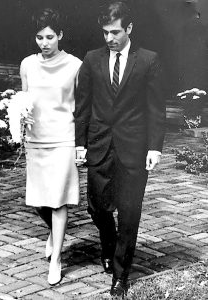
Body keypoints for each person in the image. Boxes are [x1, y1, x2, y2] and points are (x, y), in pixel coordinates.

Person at [74, 1, 166, 297]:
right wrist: (79, 143)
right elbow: (83, 106)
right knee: (97, 207)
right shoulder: (92, 59)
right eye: (105, 32)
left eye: (115, 32)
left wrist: (155, 147)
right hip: (99, 144)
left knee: (129, 211)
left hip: (134, 148)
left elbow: (156, 108)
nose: (109, 38)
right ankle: (109, 244)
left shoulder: (148, 60)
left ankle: (120, 274)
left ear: (129, 28)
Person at [20, 8, 82, 285]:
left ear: (60, 35)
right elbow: (24, 100)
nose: (44, 43)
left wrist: (82, 143)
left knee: (58, 200)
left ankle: (56, 258)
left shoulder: (75, 65)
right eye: (38, 37)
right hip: (36, 139)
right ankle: (55, 233)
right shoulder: (27, 65)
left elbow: (81, 106)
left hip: (63, 138)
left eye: (49, 37)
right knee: (37, 201)